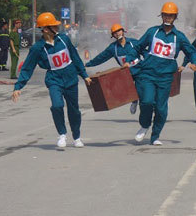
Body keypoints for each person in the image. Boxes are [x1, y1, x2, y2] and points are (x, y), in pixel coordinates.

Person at [11, 13, 91, 148]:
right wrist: (18, 87)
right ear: (46, 29)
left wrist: (84, 75)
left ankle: (76, 137)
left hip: (71, 79)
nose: (57, 27)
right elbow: (27, 68)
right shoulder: (38, 48)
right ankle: (62, 134)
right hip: (54, 80)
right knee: (57, 106)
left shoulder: (64, 39)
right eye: (54, 25)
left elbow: (75, 58)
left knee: (74, 110)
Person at [126, 2, 196, 145]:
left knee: (161, 108)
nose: (167, 17)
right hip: (147, 73)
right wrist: (129, 59)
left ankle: (155, 137)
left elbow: (191, 51)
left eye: (171, 15)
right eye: (165, 15)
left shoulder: (179, 36)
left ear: (175, 17)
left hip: (165, 77)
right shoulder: (152, 32)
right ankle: (145, 124)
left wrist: (195, 62)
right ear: (162, 16)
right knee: (146, 102)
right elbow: (137, 47)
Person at [85, 23, 145, 115]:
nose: (117, 34)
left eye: (119, 31)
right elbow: (101, 57)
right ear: (113, 36)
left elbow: (145, 52)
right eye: (115, 33)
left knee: (141, 90)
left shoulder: (134, 43)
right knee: (125, 90)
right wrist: (88, 64)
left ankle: (142, 109)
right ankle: (134, 100)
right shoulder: (113, 48)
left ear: (123, 31)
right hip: (126, 73)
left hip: (140, 70)